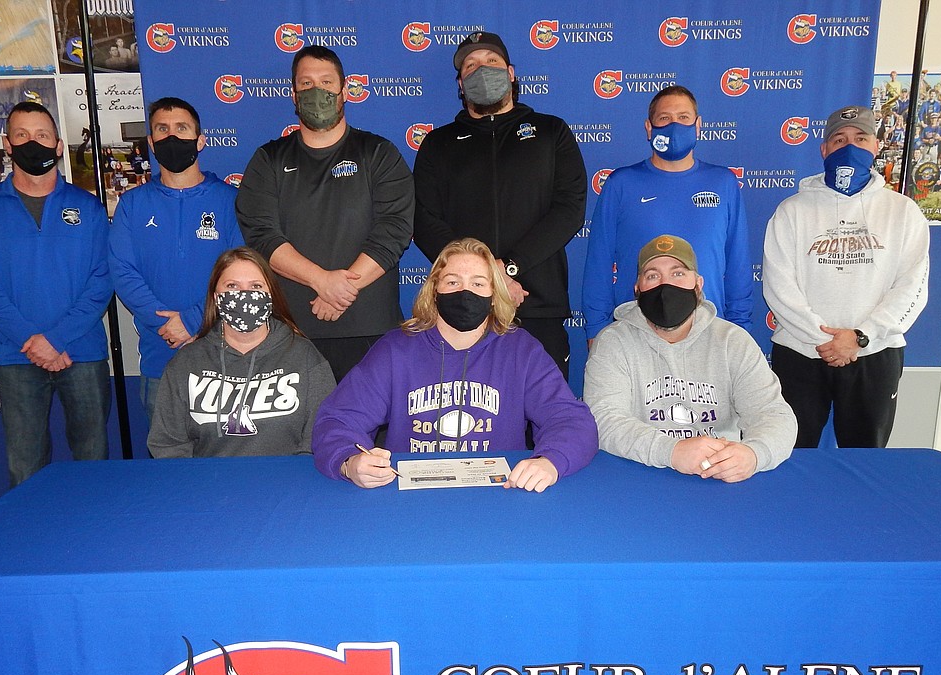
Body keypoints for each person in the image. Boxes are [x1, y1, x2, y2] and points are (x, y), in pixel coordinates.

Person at [312, 237, 597, 492]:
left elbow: (570, 420)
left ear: (493, 294)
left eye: (478, 283)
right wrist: (349, 462)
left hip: (498, 494)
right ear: (434, 290)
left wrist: (550, 461)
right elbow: (337, 420)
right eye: (452, 282)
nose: (465, 292)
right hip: (410, 496)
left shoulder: (521, 350)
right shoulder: (395, 349)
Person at [412, 31, 587, 378]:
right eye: (471, 66)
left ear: (510, 72)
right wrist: (482, 277)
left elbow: (569, 209)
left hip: (538, 305)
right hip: (462, 307)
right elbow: (423, 219)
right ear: (461, 85)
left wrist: (510, 269)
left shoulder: (551, 131)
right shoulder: (438, 143)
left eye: (491, 61)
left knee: (545, 425)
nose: (482, 69)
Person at [236, 44, 414, 383]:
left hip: (370, 328)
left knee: (371, 434)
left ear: (345, 91)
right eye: (306, 84)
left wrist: (341, 289)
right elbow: (261, 235)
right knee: (298, 436)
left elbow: (395, 229)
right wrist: (322, 281)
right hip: (292, 331)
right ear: (292, 94)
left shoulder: (378, 153)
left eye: (327, 82)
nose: (316, 91)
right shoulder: (268, 160)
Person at [0, 100, 111, 486]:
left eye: (42, 135)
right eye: (22, 135)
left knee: (93, 461)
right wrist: (33, 340)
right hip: (16, 355)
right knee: (25, 468)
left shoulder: (88, 208)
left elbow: (102, 281)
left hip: (83, 352)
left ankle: (94, 539)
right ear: (7, 145)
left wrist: (56, 339)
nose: (33, 143)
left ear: (59, 146)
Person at [763, 105, 929, 448]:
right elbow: (778, 286)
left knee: (867, 459)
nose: (848, 147)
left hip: (875, 354)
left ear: (876, 147)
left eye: (860, 138)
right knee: (789, 455)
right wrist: (822, 339)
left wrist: (861, 337)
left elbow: (913, 287)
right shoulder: (792, 211)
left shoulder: (902, 212)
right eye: (838, 139)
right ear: (823, 149)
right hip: (801, 353)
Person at [584, 235, 796, 482]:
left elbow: (774, 415)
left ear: (698, 283)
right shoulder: (613, 342)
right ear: (637, 288)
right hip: (639, 477)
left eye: (678, 274)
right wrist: (672, 451)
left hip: (719, 477)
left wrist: (753, 455)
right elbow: (604, 419)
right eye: (653, 276)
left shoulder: (733, 341)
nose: (666, 286)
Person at [109, 97, 244, 425]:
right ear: (152, 144)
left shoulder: (232, 202)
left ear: (200, 141)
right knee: (166, 466)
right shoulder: (132, 205)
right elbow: (122, 271)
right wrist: (167, 324)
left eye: (182, 129)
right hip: (161, 358)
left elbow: (244, 274)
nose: (172, 137)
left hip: (225, 355)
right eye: (162, 130)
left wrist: (195, 319)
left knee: (228, 464)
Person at [582, 85, 752, 343]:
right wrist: (596, 329)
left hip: (707, 331)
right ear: (649, 128)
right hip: (636, 330)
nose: (674, 125)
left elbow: (738, 262)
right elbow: (599, 262)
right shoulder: (621, 183)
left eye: (683, 118)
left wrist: (740, 328)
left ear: (698, 126)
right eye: (665, 118)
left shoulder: (723, 183)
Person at [148, 247, 334, 458]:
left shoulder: (305, 357)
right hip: (209, 486)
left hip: (286, 485)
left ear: (270, 294)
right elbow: (167, 444)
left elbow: (321, 436)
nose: (245, 296)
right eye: (232, 286)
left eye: (255, 286)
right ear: (216, 298)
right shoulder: (186, 363)